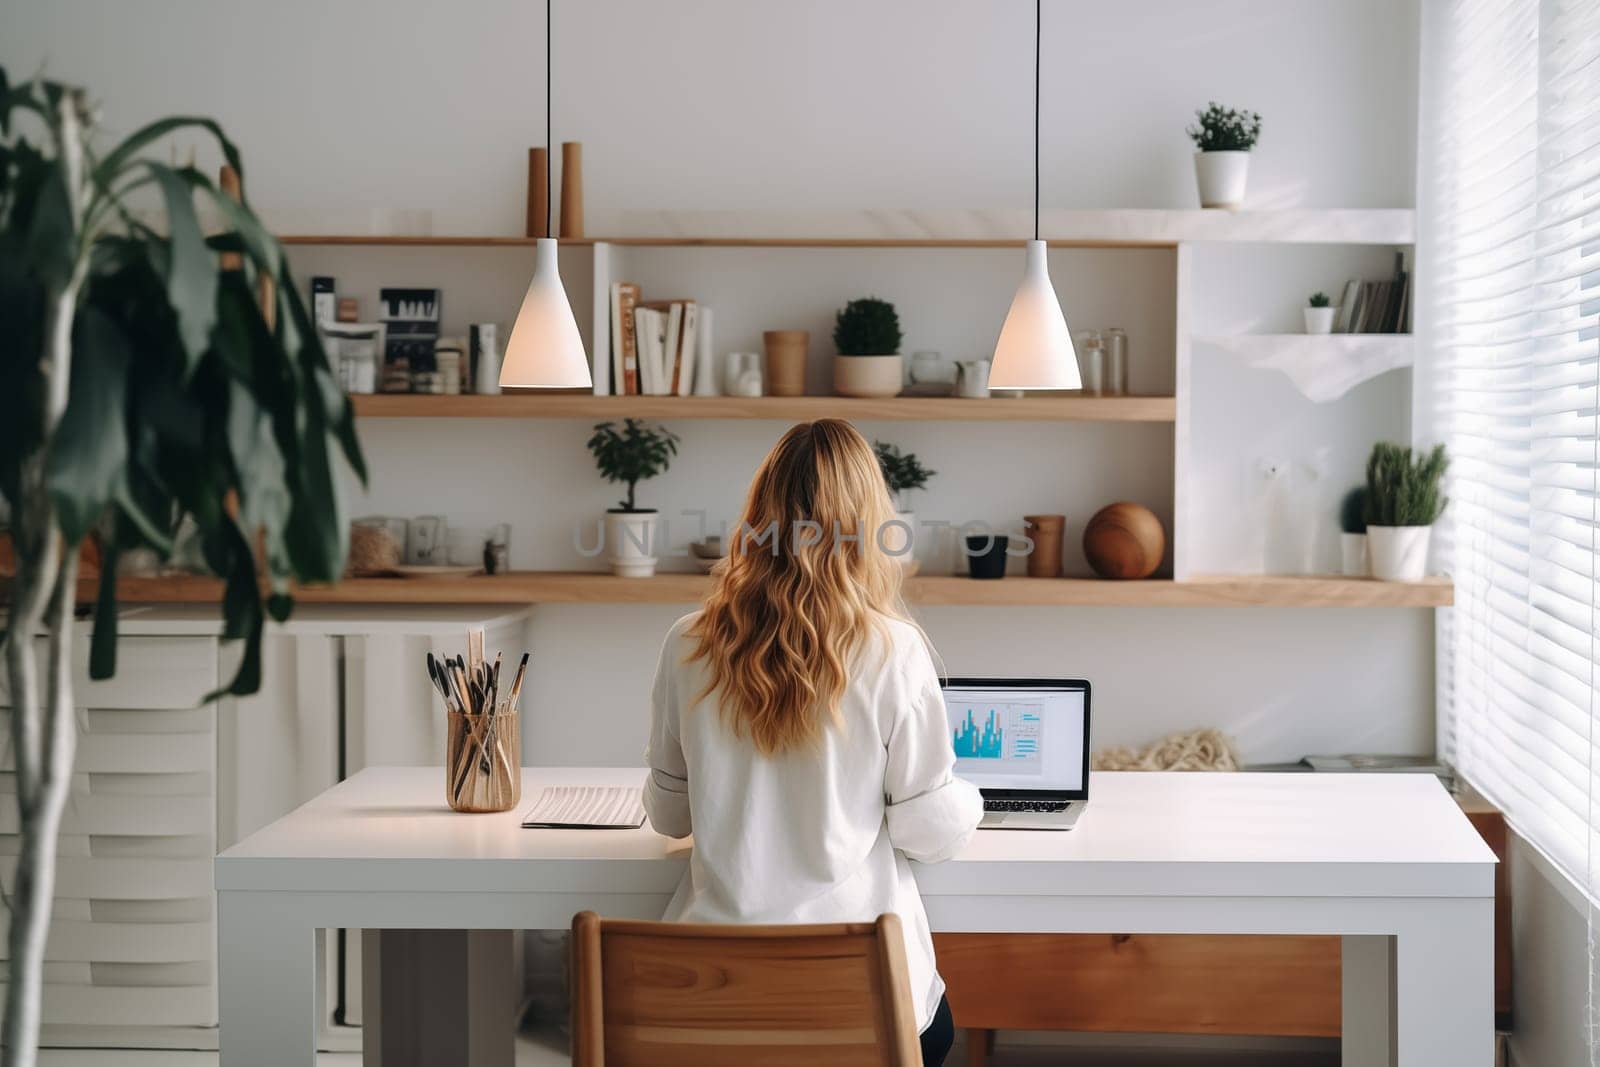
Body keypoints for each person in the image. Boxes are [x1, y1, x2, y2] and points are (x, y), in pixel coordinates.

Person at [643, 418, 981, 1066]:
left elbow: (670, 815)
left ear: (757, 516)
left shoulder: (686, 641)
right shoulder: (893, 649)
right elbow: (928, 832)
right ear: (869, 523)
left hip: (714, 1002)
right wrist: (967, 799)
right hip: (862, 1005)